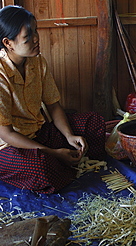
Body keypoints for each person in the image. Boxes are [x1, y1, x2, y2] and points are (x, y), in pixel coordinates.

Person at [0, 5, 106, 194]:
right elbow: (7, 134)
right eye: (28, 36)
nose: (36, 39)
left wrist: (69, 136)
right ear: (8, 43)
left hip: (39, 132)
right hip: (10, 147)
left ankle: (66, 163)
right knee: (41, 168)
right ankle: (59, 164)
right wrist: (53, 152)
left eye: (36, 31)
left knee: (94, 122)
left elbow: (54, 106)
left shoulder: (37, 62)